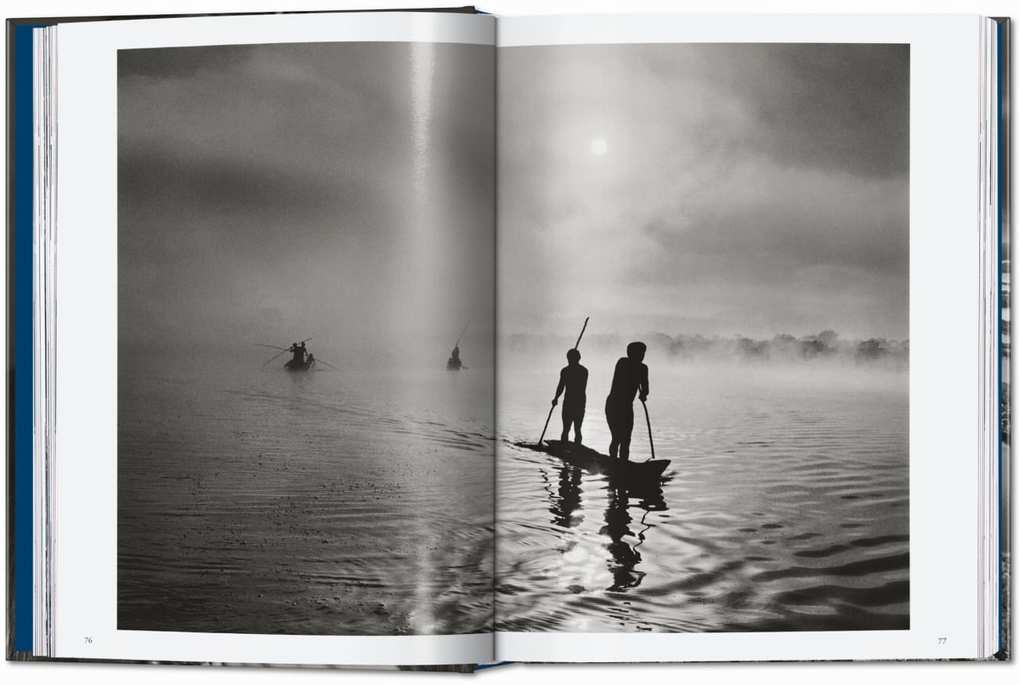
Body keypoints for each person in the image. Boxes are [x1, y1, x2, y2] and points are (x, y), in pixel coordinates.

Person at [605, 341, 649, 461]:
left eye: (643, 353)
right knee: (617, 437)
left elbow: (646, 389)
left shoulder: (643, 369)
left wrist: (643, 394)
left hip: (627, 407)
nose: (642, 356)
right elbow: (626, 376)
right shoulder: (623, 362)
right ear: (630, 353)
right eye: (639, 353)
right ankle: (613, 461)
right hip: (614, 404)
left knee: (626, 439)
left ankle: (624, 463)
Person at [552, 348, 588, 444]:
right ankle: (567, 446)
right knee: (568, 428)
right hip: (574, 402)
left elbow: (562, 386)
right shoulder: (582, 371)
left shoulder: (570, 371)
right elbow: (561, 386)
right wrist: (556, 398)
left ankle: (575, 447)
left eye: (570, 358)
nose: (569, 360)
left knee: (575, 429)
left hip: (575, 402)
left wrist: (556, 398)